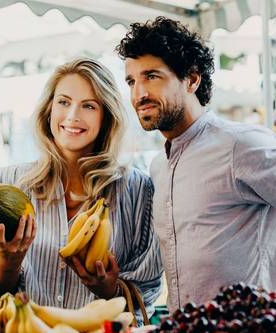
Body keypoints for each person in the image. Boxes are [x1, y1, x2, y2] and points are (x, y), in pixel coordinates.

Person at [0, 58, 162, 323]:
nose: (73, 115)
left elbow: (147, 292)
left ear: (106, 115)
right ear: (49, 109)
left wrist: (108, 289)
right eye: (64, 102)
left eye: (88, 106)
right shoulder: (10, 183)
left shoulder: (138, 191)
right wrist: (8, 265)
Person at [116, 17, 276, 311]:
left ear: (191, 79)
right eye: (131, 81)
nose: (138, 94)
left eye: (151, 76)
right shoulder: (158, 166)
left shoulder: (241, 145)